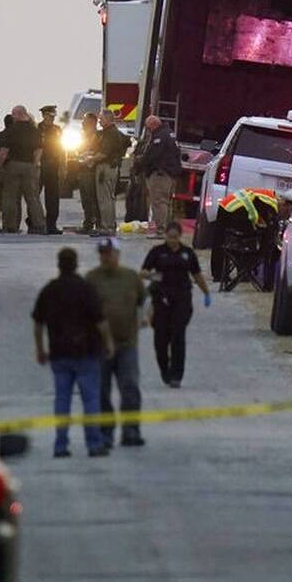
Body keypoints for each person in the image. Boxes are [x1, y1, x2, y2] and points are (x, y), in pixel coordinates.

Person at [32, 247, 115, 458]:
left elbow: (38, 323)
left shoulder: (50, 290)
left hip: (59, 354)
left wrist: (41, 349)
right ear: (76, 264)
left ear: (59, 264)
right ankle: (94, 444)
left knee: (62, 400)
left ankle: (60, 445)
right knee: (90, 400)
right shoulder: (85, 289)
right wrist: (108, 343)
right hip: (86, 353)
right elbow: (101, 321)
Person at [87, 237, 147, 447]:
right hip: (100, 346)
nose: (106, 257)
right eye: (102, 254)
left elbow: (143, 301)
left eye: (109, 253)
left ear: (118, 255)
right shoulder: (92, 279)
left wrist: (144, 318)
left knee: (130, 387)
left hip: (127, 343)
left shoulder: (131, 277)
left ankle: (131, 430)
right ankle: (106, 432)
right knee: (101, 391)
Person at [142, 221, 212, 388]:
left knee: (177, 336)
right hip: (161, 300)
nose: (172, 241)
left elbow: (196, 274)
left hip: (182, 299)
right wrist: (154, 277)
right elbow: (143, 272)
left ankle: (176, 375)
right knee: (161, 339)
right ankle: (165, 370)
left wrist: (206, 293)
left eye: (175, 238)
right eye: (169, 237)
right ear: (165, 235)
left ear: (180, 237)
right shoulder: (157, 252)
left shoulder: (187, 253)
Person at [132, 115, 183, 236]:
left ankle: (161, 230)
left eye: (148, 128)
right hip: (169, 173)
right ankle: (167, 229)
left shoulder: (159, 137)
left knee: (159, 202)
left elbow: (152, 156)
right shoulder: (169, 133)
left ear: (153, 125)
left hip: (160, 174)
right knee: (166, 202)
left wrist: (139, 162)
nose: (149, 130)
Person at [0, 105, 46, 235]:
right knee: (33, 198)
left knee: (11, 197)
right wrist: (35, 164)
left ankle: (10, 225)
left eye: (13, 114)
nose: (12, 117)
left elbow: (4, 151)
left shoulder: (11, 130)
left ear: (18, 114)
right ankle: (39, 225)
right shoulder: (34, 130)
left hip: (13, 165)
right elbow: (39, 150)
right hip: (29, 166)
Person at [92, 109, 129, 236]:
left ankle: (106, 227)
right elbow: (127, 142)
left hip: (105, 168)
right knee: (109, 198)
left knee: (104, 199)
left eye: (101, 119)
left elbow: (103, 153)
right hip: (112, 167)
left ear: (108, 119)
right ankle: (110, 226)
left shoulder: (110, 134)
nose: (99, 121)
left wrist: (89, 159)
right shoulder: (115, 132)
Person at [38, 105, 66, 235]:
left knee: (53, 198)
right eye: (49, 116)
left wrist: (63, 166)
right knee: (34, 196)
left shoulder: (57, 130)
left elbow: (62, 149)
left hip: (53, 166)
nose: (51, 119)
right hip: (40, 165)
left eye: (53, 116)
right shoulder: (37, 129)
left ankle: (51, 225)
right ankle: (35, 223)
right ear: (43, 115)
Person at [73, 113, 102, 232]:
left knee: (93, 198)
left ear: (91, 122)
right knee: (85, 199)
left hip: (91, 171)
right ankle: (88, 223)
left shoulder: (98, 136)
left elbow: (97, 152)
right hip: (82, 170)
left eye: (85, 121)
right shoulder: (83, 136)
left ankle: (99, 224)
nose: (82, 123)